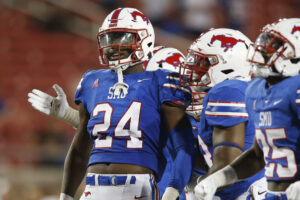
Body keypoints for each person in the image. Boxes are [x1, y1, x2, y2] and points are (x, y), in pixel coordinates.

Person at [31, 7, 195, 200]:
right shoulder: (95, 81)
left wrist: (176, 191)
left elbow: (183, 147)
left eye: (121, 38)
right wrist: (68, 114)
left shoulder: (162, 84)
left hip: (145, 187)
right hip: (96, 186)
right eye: (109, 38)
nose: (112, 45)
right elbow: (114, 128)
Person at [194, 18, 300, 200]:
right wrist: (217, 180)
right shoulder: (257, 90)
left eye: (274, 46)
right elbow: (258, 156)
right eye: (264, 44)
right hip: (272, 193)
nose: (263, 51)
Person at [179, 28, 267, 200]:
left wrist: (194, 190)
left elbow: (228, 162)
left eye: (203, 63)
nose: (193, 68)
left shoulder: (229, 91)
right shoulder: (234, 92)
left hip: (246, 191)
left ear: (228, 67)